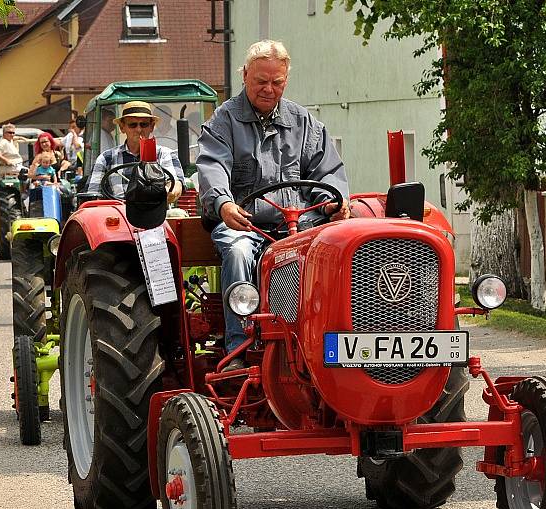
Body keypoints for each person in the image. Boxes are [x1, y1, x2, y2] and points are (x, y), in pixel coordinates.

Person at [197, 39, 350, 371]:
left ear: (285, 80)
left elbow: (328, 172)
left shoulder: (304, 123)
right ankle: (239, 351)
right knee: (237, 251)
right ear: (245, 77)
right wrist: (224, 204)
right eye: (260, 82)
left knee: (337, 251)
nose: (268, 89)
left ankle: (332, 339)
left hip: (298, 227)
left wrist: (333, 202)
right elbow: (212, 167)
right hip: (246, 226)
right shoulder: (224, 121)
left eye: (276, 82)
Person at [87, 100, 184, 202]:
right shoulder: (106, 159)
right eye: (133, 125)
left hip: (155, 213)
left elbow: (175, 184)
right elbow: (93, 194)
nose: (138, 129)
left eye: (144, 124)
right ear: (122, 128)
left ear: (151, 127)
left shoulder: (165, 154)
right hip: (118, 214)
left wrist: (169, 191)